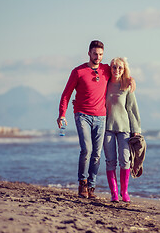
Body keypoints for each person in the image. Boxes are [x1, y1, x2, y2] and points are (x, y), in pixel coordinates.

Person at [57, 40, 135, 199]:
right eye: (95, 54)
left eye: (100, 54)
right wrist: (62, 114)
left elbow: (120, 70)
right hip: (82, 115)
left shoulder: (106, 69)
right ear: (89, 53)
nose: (98, 57)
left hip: (101, 117)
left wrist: (131, 79)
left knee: (97, 154)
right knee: (87, 149)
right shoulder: (78, 71)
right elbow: (66, 94)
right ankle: (82, 182)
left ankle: (92, 186)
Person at [103, 57, 141, 202]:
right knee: (110, 161)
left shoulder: (127, 84)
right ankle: (114, 193)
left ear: (124, 69)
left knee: (125, 160)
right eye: (114, 67)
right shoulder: (105, 84)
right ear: (110, 68)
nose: (117, 70)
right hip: (107, 128)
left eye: (120, 68)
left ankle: (124, 192)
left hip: (124, 129)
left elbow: (132, 109)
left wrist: (136, 129)